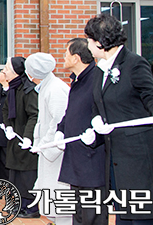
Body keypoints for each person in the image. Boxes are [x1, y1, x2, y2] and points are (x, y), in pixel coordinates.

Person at [84, 13, 153, 224]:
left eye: (89, 40)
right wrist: (95, 126)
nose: (87, 44)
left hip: (138, 162)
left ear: (100, 42)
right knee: (123, 218)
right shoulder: (99, 70)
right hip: (114, 162)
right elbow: (101, 107)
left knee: (139, 220)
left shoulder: (135, 65)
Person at [57, 38, 107, 225]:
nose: (64, 57)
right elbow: (70, 112)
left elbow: (106, 115)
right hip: (76, 157)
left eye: (66, 53)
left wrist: (96, 133)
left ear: (76, 58)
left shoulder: (97, 79)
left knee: (91, 213)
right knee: (78, 213)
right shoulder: (77, 81)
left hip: (92, 160)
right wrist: (60, 130)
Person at [25, 52, 71, 225]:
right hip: (48, 151)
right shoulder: (46, 87)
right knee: (49, 191)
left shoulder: (55, 89)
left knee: (58, 192)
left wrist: (45, 145)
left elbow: (58, 122)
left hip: (55, 153)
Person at [1, 56, 39, 218]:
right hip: (14, 136)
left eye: (8, 68)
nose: (5, 71)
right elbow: (5, 110)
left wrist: (28, 136)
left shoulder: (27, 89)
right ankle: (18, 203)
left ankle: (31, 207)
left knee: (27, 174)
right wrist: (8, 126)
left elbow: (34, 114)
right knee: (15, 172)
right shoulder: (12, 89)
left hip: (25, 137)